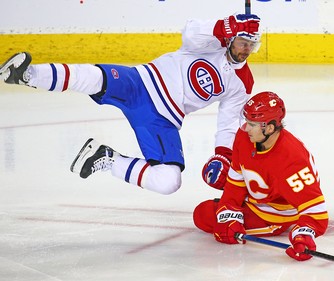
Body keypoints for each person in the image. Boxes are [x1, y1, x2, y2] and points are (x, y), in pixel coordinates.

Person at [0, 14, 261, 195]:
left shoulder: (243, 82)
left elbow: (228, 123)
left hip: (163, 120)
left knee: (169, 181)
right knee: (93, 77)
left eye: (251, 45)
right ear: (230, 37)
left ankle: (107, 159)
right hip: (142, 82)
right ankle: (26, 75)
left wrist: (223, 155)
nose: (245, 49)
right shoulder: (211, 41)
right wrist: (222, 25)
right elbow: (191, 31)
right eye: (242, 42)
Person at [193, 91, 329, 261]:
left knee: (203, 216)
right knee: (203, 213)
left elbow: (316, 213)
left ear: (269, 128)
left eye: (252, 124)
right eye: (247, 122)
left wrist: (303, 236)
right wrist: (228, 212)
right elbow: (236, 182)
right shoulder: (243, 138)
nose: (246, 128)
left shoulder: (292, 159)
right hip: (255, 199)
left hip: (273, 213)